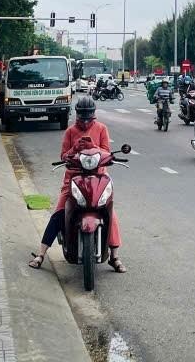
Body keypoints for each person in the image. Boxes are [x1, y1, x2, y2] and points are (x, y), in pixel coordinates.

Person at [28, 97, 125, 273]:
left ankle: (114, 256)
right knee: (59, 212)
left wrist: (93, 146)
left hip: (98, 177)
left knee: (110, 212)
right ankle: (41, 254)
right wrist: (75, 149)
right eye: (82, 116)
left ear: (93, 114)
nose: (85, 120)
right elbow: (64, 155)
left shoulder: (101, 128)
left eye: (89, 116)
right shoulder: (70, 131)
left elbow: (107, 152)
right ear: (77, 114)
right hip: (73, 177)